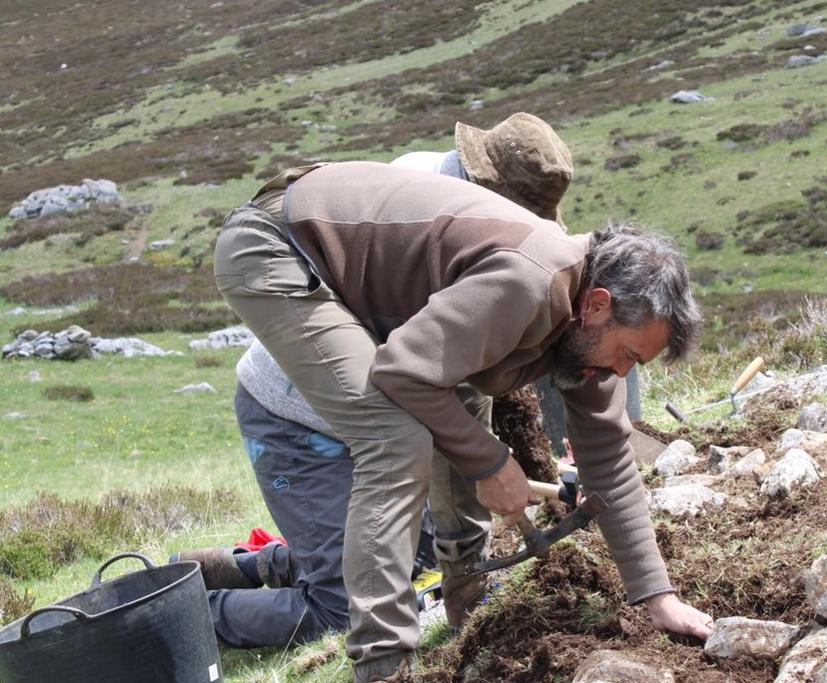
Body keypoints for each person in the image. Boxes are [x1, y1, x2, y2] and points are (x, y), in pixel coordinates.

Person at [213, 159, 714, 683]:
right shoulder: (530, 281)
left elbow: (610, 460)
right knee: (395, 436)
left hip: (330, 253)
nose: (622, 371)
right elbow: (404, 372)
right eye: (627, 353)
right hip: (281, 244)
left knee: (461, 403)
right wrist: (490, 463)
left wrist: (658, 597)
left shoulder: (588, 327)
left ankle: (466, 591)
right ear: (598, 305)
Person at [180, 114, 575, 649]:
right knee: (344, 607)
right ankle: (175, 616)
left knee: (419, 545)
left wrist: (469, 556)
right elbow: (436, 386)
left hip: (382, 415)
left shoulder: (448, 196)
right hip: (296, 422)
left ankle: (247, 566)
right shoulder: (437, 223)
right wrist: (488, 464)